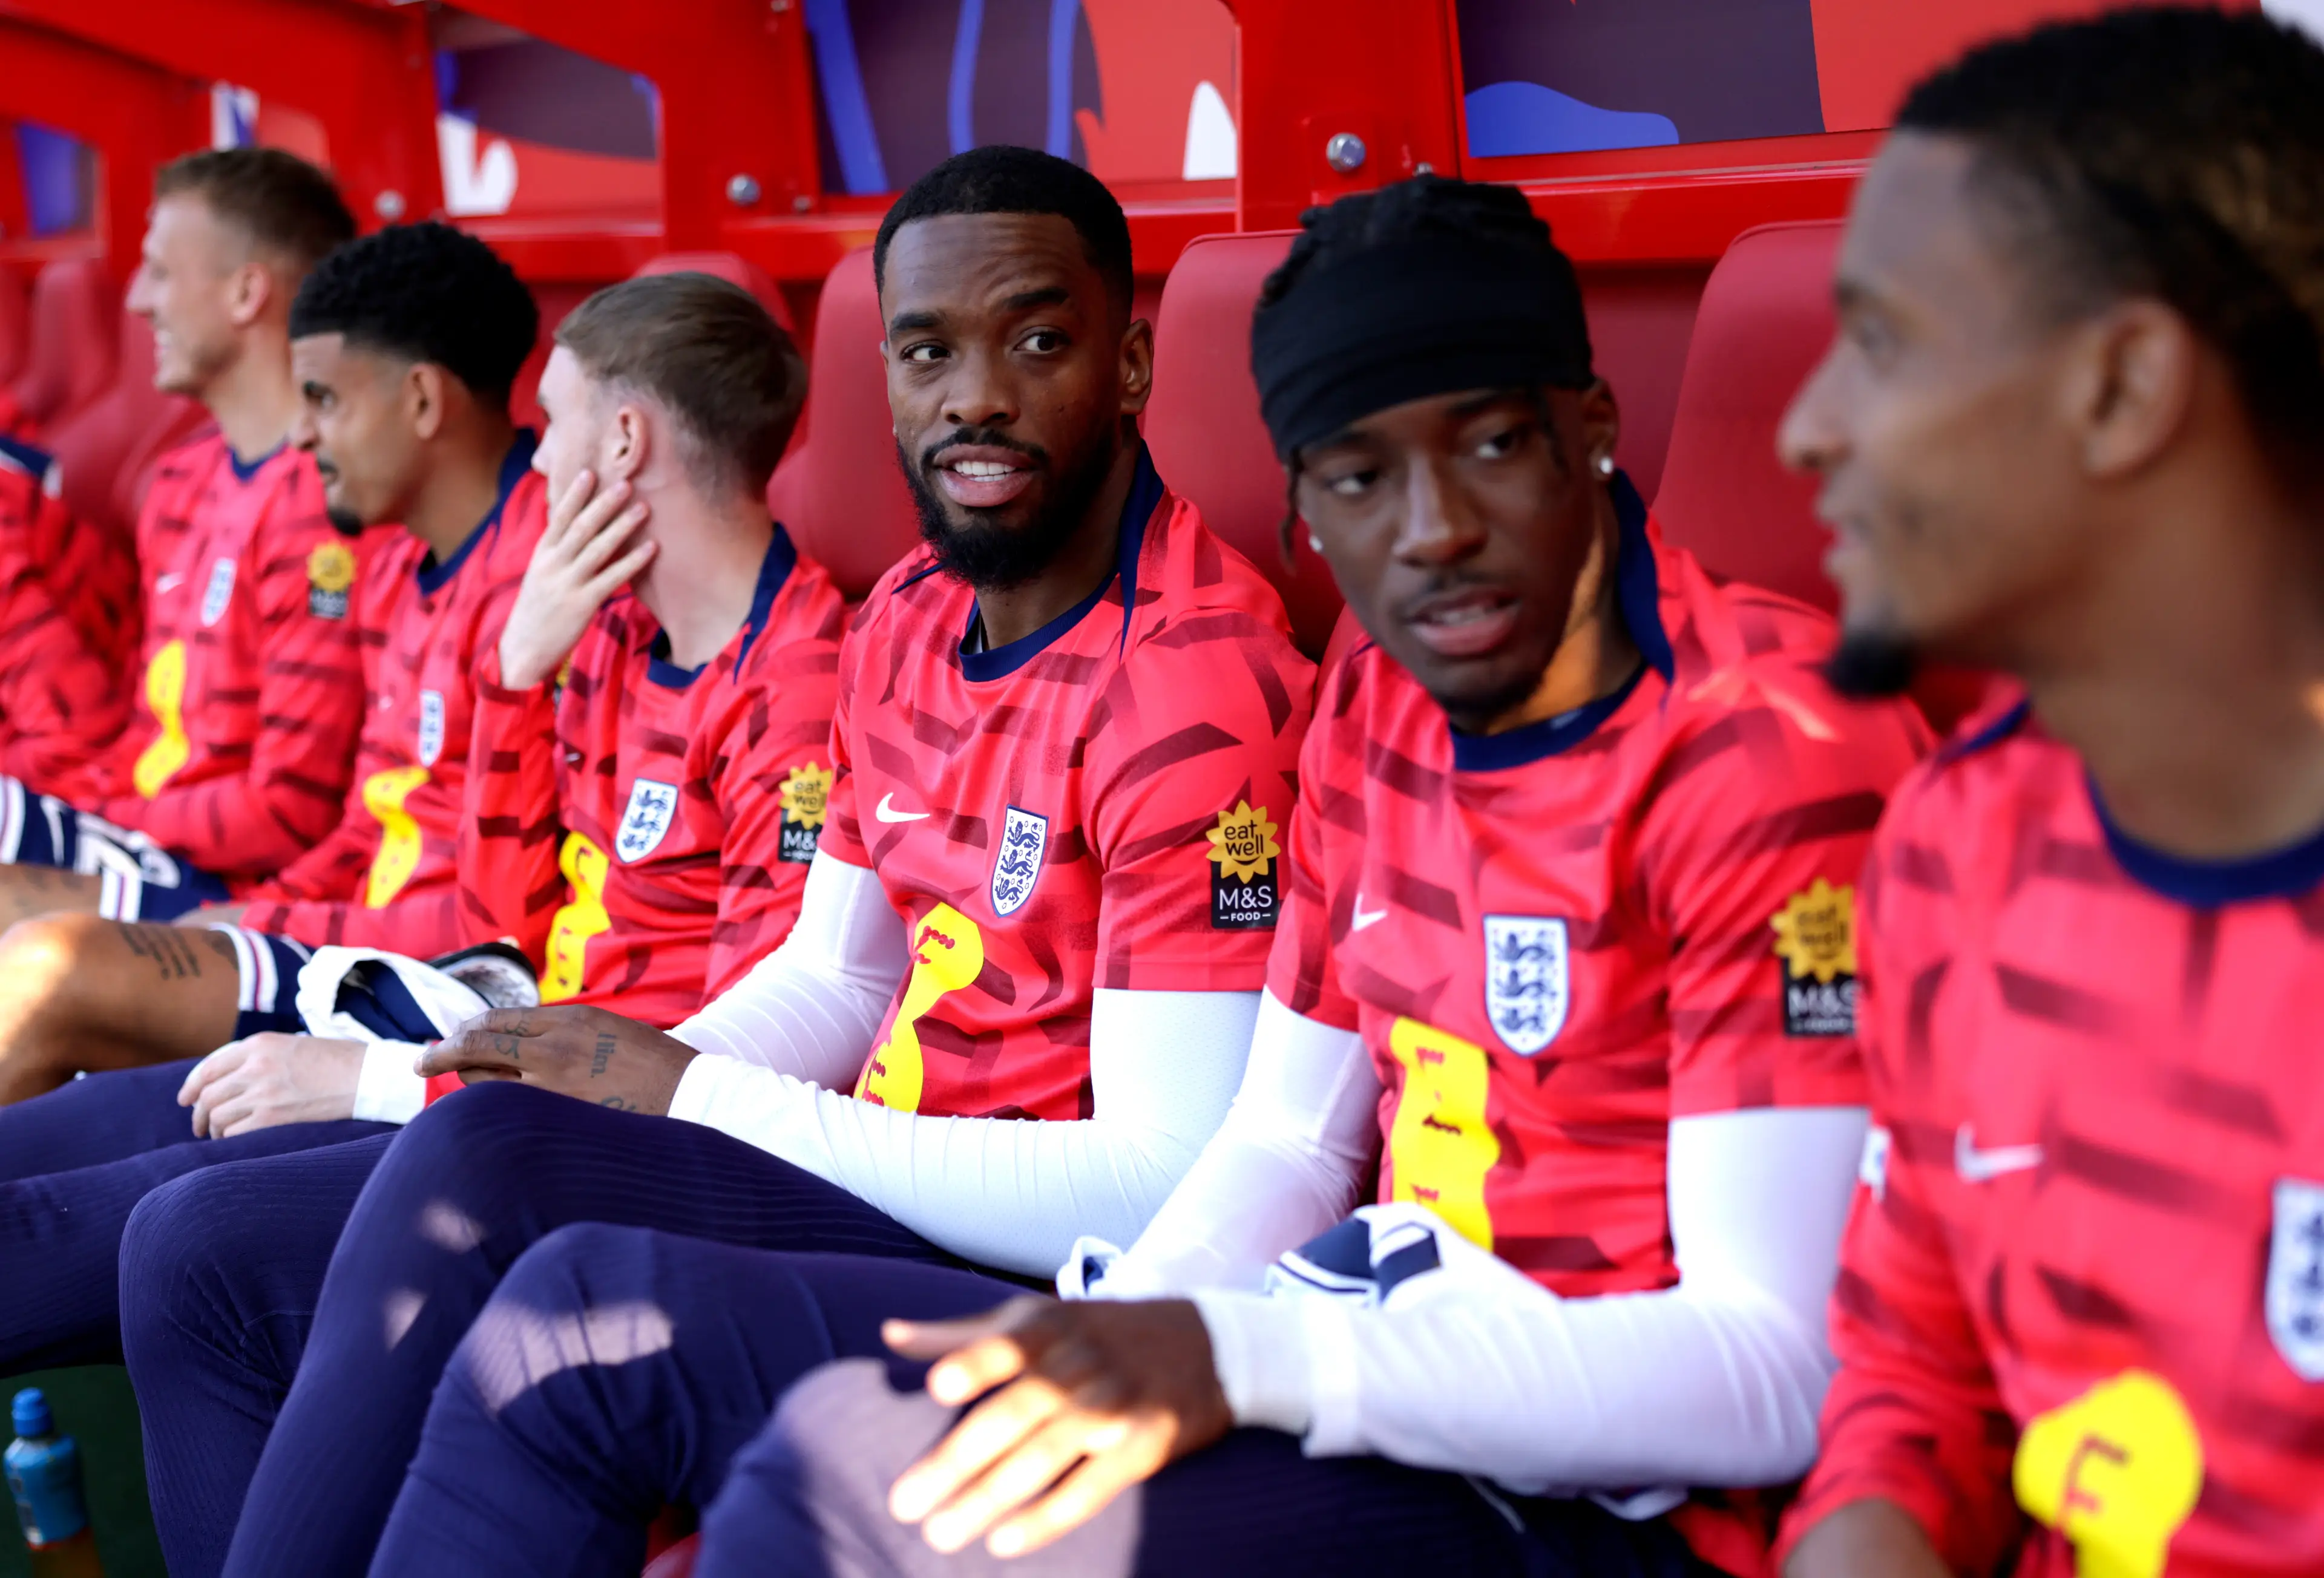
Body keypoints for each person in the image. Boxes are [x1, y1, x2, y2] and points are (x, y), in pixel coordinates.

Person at [353, 174, 1931, 1578]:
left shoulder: (1763, 744)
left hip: (1607, 1498)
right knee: (606, 1358)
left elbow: (1775, 1366)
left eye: (1493, 445)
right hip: (1358, 1354)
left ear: (1591, 427)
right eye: (1357, 478)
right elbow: (1290, 1139)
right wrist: (1123, 1337)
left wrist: (1233, 1360)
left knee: (850, 1504)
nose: (1433, 532)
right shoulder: (1380, 698)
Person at [118, 145, 1313, 1578]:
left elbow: (1154, 1181)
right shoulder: (910, 609)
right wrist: (626, 1070)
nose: (976, 396)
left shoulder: (1195, 678)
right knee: (198, 1247)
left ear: (1129, 367)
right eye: (928, 351)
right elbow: (836, 975)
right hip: (863, 1169)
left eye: (1038, 342)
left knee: (509, 1188)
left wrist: (692, 1092)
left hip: (1024, 1258)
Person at [1764, 9, 2324, 1576]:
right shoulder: (1957, 844)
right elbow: (1916, 1371)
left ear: (2122, 387)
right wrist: (1863, 1531)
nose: (1805, 428)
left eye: (1881, 342)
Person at [0, 221, 548, 1377]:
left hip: (435, 986)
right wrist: (262, 911)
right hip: (336, 938)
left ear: (420, 401)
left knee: (51, 964)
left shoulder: (547, 579)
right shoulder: (396, 553)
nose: (303, 435)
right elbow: (351, 829)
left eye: (325, 401)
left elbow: (500, 919)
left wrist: (251, 916)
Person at [0, 148, 376, 932]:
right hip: (131, 833)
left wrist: (88, 812)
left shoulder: (331, 502)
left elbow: (286, 812)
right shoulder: (179, 478)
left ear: (246, 293)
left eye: (162, 273)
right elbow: (148, 739)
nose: (138, 301)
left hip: (225, 888)